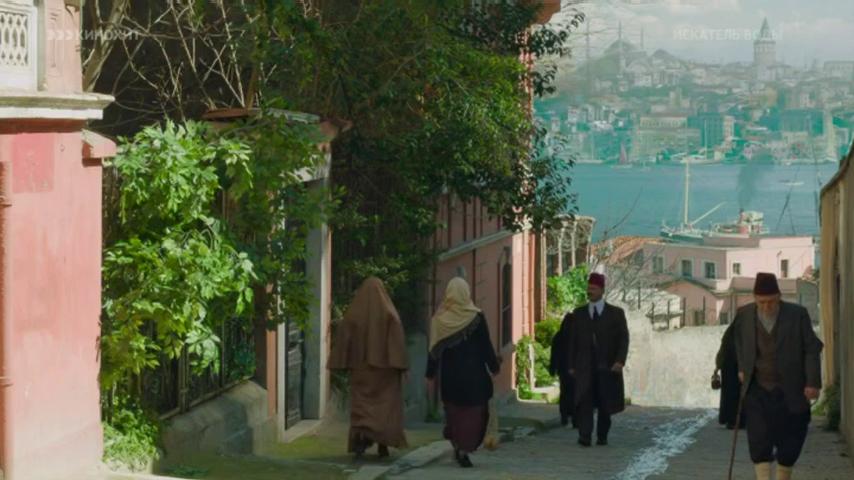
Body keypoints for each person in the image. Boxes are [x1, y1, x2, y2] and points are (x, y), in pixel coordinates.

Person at [732, 273, 823, 480]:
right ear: (755, 298)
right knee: (758, 437)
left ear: (779, 297)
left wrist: (812, 382)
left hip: (790, 387)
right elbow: (738, 341)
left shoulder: (797, 315)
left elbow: (811, 349)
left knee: (791, 438)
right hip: (757, 387)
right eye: (762, 302)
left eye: (771, 302)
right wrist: (742, 366)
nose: (766, 306)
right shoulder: (744, 315)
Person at [328, 277, 409, 458]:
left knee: (362, 408)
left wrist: (343, 362)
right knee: (384, 408)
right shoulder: (390, 313)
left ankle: (359, 444)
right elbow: (397, 340)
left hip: (361, 370)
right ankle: (383, 445)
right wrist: (400, 365)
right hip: (385, 373)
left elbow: (344, 337)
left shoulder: (353, 314)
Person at [425, 277, 500, 468]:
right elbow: (486, 346)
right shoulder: (477, 317)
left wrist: (430, 374)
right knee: (474, 415)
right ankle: (464, 449)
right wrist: (494, 366)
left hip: (450, 378)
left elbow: (433, 351)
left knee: (455, 414)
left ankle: (458, 445)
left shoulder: (440, 320)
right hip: (475, 377)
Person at [566, 272, 629, 447]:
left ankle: (602, 435)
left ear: (602, 290)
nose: (590, 291)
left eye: (593, 289)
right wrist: (570, 364)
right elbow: (572, 341)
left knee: (604, 403)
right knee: (584, 400)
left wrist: (620, 361)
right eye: (589, 288)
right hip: (584, 367)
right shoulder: (579, 314)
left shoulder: (615, 314)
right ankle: (585, 435)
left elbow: (623, 340)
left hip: (607, 366)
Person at [715, 321, 745, 429]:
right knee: (736, 395)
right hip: (735, 368)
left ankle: (730, 420)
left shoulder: (729, 333)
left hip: (728, 368)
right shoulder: (740, 333)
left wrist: (718, 366)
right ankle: (736, 421)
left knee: (729, 396)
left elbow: (722, 350)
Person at [549, 312, 575, 428]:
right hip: (575, 369)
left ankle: (564, 416)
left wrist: (553, 368)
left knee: (564, 392)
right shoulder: (578, 336)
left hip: (563, 369)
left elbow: (554, 354)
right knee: (574, 393)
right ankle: (574, 416)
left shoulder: (559, 336)